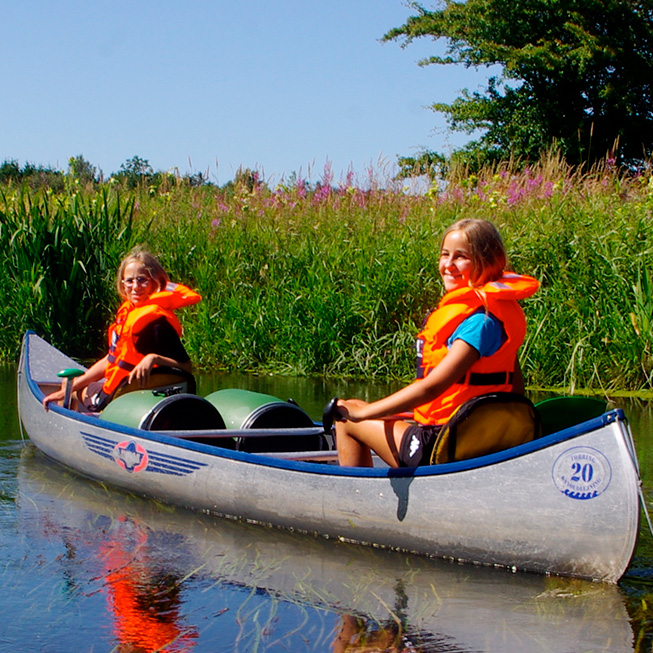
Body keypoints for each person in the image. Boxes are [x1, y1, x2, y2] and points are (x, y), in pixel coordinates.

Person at [334, 219, 539, 468]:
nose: (448, 265)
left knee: (345, 418)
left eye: (461, 257)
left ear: (487, 261)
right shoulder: (497, 313)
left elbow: (432, 388)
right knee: (353, 405)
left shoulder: (479, 323)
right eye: (445, 255)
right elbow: (515, 390)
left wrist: (362, 414)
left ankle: (358, 502)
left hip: (442, 445)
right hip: (477, 439)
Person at [43, 248, 201, 412]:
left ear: (156, 282)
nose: (135, 287)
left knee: (72, 389)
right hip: (126, 391)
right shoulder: (129, 315)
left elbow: (186, 367)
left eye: (142, 280)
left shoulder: (157, 324)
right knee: (72, 384)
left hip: (119, 397)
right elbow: (111, 360)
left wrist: (153, 358)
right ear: (122, 284)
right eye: (129, 281)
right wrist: (73, 385)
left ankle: (72, 430)